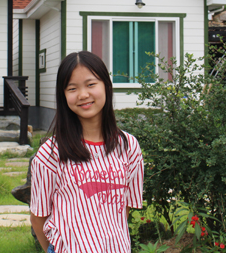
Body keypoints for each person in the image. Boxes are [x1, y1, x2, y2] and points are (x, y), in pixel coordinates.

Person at [30, 51, 144, 253]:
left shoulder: (129, 147)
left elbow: (123, 210)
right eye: (72, 88)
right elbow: (38, 218)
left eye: (91, 84)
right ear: (63, 95)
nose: (83, 95)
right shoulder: (51, 154)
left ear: (106, 86)